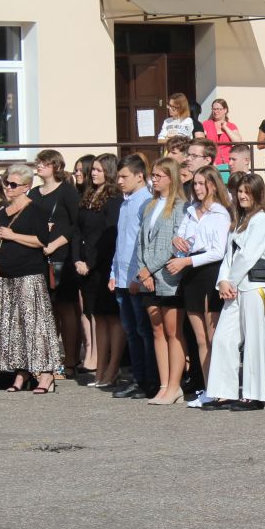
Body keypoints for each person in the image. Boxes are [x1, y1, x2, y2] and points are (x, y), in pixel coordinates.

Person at [0, 164, 62, 394]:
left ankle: (46, 374)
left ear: (26, 187)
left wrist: (13, 235)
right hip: (5, 278)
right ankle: (20, 373)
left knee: (35, 327)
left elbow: (42, 241)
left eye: (13, 184)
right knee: (14, 329)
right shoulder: (3, 213)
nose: (8, 187)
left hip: (29, 276)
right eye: (6, 182)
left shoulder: (37, 211)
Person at [207, 174, 265, 410]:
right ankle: (224, 391)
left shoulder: (261, 220)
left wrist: (230, 281)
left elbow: (248, 256)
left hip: (255, 287)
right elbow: (229, 255)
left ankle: (254, 395)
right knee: (223, 338)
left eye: (247, 192)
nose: (243, 196)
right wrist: (223, 282)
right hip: (235, 287)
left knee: (255, 340)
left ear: (257, 194)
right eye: (240, 191)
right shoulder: (240, 220)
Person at [169, 166, 231, 407]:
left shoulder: (220, 213)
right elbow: (182, 241)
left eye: (202, 183)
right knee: (201, 338)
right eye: (195, 183)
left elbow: (217, 251)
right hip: (191, 272)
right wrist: (177, 242)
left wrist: (186, 261)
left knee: (213, 336)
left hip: (209, 272)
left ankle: (221, 387)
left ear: (213, 185)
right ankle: (208, 388)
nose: (197, 188)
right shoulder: (190, 211)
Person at [134, 156, 186, 404]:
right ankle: (164, 385)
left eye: (158, 176)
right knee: (157, 331)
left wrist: (150, 269)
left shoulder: (180, 206)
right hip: (149, 277)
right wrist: (142, 270)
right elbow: (141, 242)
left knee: (173, 332)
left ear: (171, 178)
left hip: (168, 276)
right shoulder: (149, 205)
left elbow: (175, 244)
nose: (153, 180)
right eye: (152, 175)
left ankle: (175, 386)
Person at [72, 154, 125, 389]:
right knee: (97, 317)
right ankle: (100, 369)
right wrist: (77, 259)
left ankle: (112, 368)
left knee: (111, 317)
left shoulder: (113, 199)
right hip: (85, 266)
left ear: (109, 172)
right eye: (92, 169)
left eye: (99, 170)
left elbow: (109, 237)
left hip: (103, 266)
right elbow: (77, 230)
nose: (93, 173)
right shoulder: (88, 196)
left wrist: (90, 263)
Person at [28, 149, 82, 377]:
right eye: (38, 162)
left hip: (61, 258)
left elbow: (75, 224)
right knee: (46, 311)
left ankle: (70, 360)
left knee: (66, 308)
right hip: (39, 258)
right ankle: (49, 360)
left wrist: (54, 244)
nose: (39, 166)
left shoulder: (67, 192)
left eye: (44, 163)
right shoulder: (33, 193)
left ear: (55, 166)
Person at [109, 154, 156, 400]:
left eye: (124, 176)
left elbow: (143, 243)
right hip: (122, 277)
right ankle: (138, 378)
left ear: (139, 176)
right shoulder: (125, 204)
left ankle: (149, 380)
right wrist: (113, 272)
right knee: (131, 331)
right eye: (118, 176)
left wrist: (138, 276)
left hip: (136, 278)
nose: (120, 181)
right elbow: (121, 243)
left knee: (143, 331)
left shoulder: (146, 202)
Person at [202, 99, 241, 177]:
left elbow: (238, 142)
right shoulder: (206, 124)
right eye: (214, 109)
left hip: (228, 163)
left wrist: (225, 127)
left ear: (225, 110)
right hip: (212, 162)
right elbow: (202, 142)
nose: (216, 111)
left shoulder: (231, 126)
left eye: (218, 109)